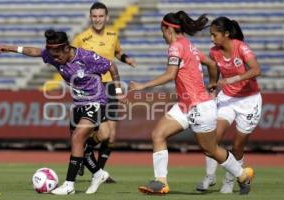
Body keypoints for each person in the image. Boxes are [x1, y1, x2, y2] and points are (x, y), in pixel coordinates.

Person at [129, 11, 254, 195]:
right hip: (185, 105)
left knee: (211, 150)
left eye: (162, 31)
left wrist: (143, 86)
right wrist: (211, 86)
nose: (163, 35)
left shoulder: (175, 47)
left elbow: (171, 74)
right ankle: (161, 182)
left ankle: (243, 175)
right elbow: (212, 64)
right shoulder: (189, 45)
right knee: (158, 134)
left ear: (168, 29)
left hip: (199, 106)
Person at [0, 29, 126, 195]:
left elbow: (111, 66)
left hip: (96, 102)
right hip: (78, 104)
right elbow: (34, 51)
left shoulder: (86, 57)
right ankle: (99, 174)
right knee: (79, 146)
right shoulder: (54, 55)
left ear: (66, 48)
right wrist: (9, 48)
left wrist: (119, 91)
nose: (55, 59)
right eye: (52, 56)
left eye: (57, 55)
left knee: (78, 138)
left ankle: (69, 185)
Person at [196, 16, 262, 194]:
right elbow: (215, 71)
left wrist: (234, 78)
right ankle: (209, 177)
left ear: (226, 34)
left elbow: (256, 70)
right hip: (227, 99)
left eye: (215, 35)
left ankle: (230, 179)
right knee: (212, 138)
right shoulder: (214, 51)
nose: (212, 39)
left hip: (249, 101)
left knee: (238, 146)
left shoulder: (241, 47)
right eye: (211, 35)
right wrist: (212, 86)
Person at [72, 1, 136, 182]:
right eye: (95, 16)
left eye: (101, 16)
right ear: (90, 17)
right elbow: (72, 61)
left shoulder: (112, 34)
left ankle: (97, 170)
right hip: (93, 89)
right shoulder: (81, 38)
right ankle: (86, 156)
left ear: (106, 17)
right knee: (102, 133)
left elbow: (116, 53)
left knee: (112, 137)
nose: (98, 19)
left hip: (110, 87)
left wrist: (126, 59)